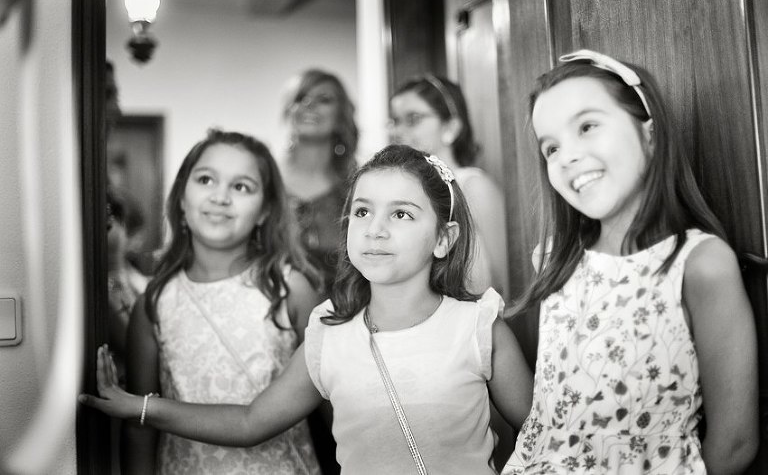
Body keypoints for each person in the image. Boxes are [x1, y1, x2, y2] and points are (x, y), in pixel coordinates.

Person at [80, 144, 534, 474]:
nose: (375, 229)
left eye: (401, 215)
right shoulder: (328, 334)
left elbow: (542, 432)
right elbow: (250, 421)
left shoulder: (478, 327)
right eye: (361, 212)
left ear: (443, 239)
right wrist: (140, 407)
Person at [502, 50, 759, 474]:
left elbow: (735, 444)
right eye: (551, 148)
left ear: (650, 134)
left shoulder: (700, 264)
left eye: (587, 126)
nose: (567, 156)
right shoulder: (551, 259)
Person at [115, 129, 323, 474]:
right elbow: (140, 426)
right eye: (206, 180)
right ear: (181, 198)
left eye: (241, 187)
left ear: (264, 211)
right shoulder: (155, 304)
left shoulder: (290, 290)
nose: (220, 197)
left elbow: (336, 409)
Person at [389, 74, 509, 298]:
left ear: (451, 127)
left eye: (413, 118)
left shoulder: (475, 187)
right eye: (395, 121)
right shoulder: (398, 196)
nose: (398, 131)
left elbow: (507, 281)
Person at [279, 68, 359, 295]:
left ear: (341, 114)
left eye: (323, 99)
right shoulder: (265, 180)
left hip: (341, 317)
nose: (309, 106)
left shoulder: (358, 187)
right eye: (300, 98)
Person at [106, 186, 149, 386]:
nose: (115, 227)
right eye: (108, 221)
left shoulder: (124, 276)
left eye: (118, 219)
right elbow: (134, 346)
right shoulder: (104, 287)